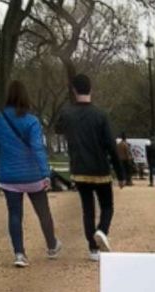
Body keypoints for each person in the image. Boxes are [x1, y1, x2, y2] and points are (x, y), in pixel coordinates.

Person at [0, 80, 62, 268]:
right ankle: (52, 245)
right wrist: (45, 173)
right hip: (32, 175)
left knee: (14, 214)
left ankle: (19, 253)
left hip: (9, 175)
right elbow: (38, 148)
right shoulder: (32, 121)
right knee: (43, 212)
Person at [55, 73, 124, 261]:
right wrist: (121, 173)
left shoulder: (67, 114)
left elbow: (57, 128)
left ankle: (93, 249)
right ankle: (102, 230)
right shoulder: (100, 115)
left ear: (74, 90)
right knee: (107, 205)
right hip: (100, 168)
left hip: (79, 169)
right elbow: (110, 145)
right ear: (91, 89)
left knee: (88, 209)